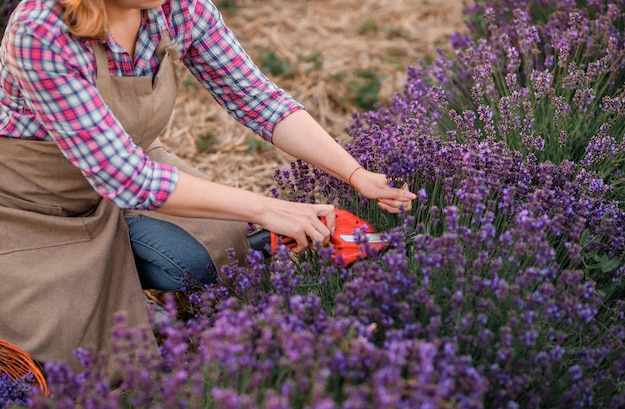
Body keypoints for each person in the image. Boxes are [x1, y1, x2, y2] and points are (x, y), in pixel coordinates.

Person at [0, 0, 416, 371]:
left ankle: (150, 305)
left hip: (134, 168)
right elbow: (126, 178)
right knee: (84, 368)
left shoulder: (177, 9)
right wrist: (266, 208)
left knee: (215, 255)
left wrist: (354, 173)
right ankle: (139, 313)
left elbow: (259, 99)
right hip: (32, 204)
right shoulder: (41, 29)